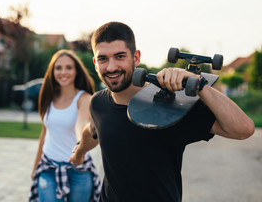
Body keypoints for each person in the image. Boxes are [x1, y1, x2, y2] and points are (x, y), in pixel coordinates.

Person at [69, 21, 255, 201]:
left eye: (120, 56)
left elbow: (243, 129)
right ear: (95, 62)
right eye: (103, 59)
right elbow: (92, 131)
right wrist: (79, 152)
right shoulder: (98, 103)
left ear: (136, 57)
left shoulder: (171, 104)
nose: (111, 67)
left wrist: (200, 85)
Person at [29, 49, 101, 202]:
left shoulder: (84, 98)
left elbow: (81, 125)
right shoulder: (48, 96)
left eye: (69, 67)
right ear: (52, 71)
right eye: (58, 67)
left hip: (79, 170)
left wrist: (79, 147)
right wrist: (36, 166)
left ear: (76, 71)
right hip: (48, 167)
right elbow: (45, 132)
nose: (63, 72)